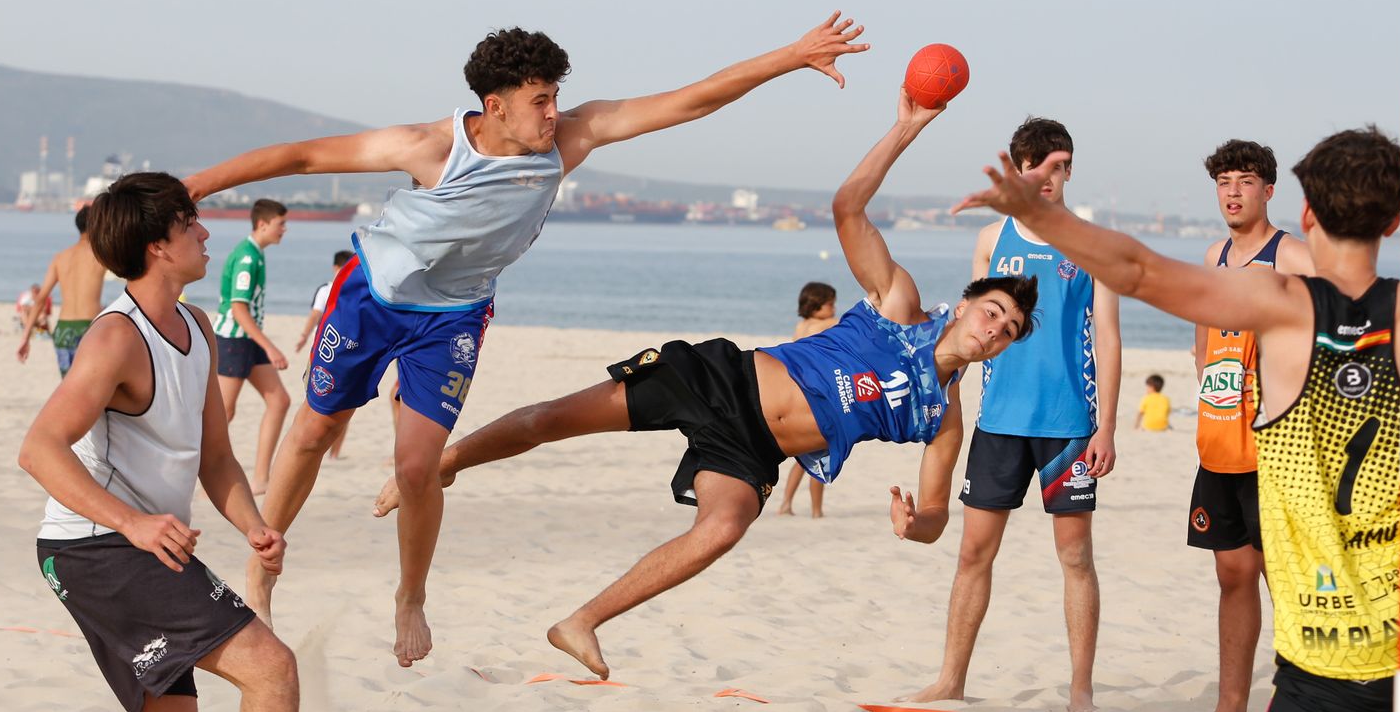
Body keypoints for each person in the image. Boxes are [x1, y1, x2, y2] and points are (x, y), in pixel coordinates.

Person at [183, 12, 870, 658]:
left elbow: (691, 102)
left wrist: (791, 56)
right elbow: (302, 157)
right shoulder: (430, 147)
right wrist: (193, 186)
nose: (553, 112)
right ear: (495, 106)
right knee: (311, 431)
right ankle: (262, 570)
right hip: (374, 296)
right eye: (540, 100)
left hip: (452, 317)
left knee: (418, 466)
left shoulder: (570, 137)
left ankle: (410, 596)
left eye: (556, 96)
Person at [376, 90, 1038, 679]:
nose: (995, 330)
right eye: (992, 312)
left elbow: (936, 519)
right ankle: (448, 461)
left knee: (722, 527)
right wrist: (905, 128)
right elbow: (848, 207)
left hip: (754, 450)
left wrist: (914, 524)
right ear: (963, 304)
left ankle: (580, 621)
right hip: (720, 379)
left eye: (1008, 330)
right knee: (552, 420)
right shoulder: (898, 304)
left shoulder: (940, 414)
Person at [954, 126, 1400, 712]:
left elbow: (1136, 271)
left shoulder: (1281, 303)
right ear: (1396, 219)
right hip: (1392, 636)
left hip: (1332, 659)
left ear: (1304, 210)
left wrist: (1043, 217)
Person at [0, 173, 303, 712]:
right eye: (191, 223)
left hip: (139, 545)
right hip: (94, 546)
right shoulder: (115, 338)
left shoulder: (197, 327)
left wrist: (254, 524)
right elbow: (38, 447)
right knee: (272, 667)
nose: (206, 233)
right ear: (158, 245)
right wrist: (132, 522)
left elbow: (214, 456)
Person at [905, 117, 1119, 712]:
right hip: (998, 422)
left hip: (1068, 426)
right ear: (1019, 168)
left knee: (1075, 558)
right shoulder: (992, 238)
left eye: (1062, 167)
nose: (1051, 177)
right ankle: (950, 680)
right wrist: (940, 388)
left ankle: (1081, 692)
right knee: (973, 554)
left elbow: (1107, 336)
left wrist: (1106, 425)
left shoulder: (1091, 242)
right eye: (1040, 166)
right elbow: (971, 328)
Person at [1181, 139, 1313, 712]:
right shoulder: (1215, 256)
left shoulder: (1293, 256)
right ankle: (1231, 707)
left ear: (1268, 190)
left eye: (1245, 181)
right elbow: (1203, 341)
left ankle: (1313, 708)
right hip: (1218, 444)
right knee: (1232, 576)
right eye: (1224, 182)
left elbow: (1332, 339)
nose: (1233, 192)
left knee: (1288, 581)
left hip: (1277, 450)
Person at [212, 199, 291, 494]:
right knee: (223, 413)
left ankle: (260, 479)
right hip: (234, 340)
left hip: (248, 338)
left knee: (279, 401)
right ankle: (205, 477)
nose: (285, 229)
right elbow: (238, 309)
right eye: (281, 223)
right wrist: (270, 347)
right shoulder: (246, 257)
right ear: (262, 224)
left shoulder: (256, 253)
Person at [17, 205, 109, 377]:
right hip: (89, 328)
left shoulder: (60, 258)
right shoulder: (101, 255)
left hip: (64, 329)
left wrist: (25, 337)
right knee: (94, 386)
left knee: (69, 386)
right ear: (97, 225)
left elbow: (40, 299)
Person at [776, 281, 838, 517]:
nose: (834, 308)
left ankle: (786, 504)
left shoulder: (801, 326)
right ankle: (816, 511)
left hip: (798, 392)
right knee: (823, 454)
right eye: (830, 304)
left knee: (803, 456)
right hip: (819, 394)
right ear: (816, 305)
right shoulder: (829, 324)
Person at [296, 249, 357, 460]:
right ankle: (323, 450)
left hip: (346, 351)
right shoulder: (326, 290)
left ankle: (335, 453)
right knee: (318, 399)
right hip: (324, 349)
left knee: (344, 405)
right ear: (335, 268)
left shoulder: (353, 289)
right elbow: (315, 315)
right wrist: (304, 336)